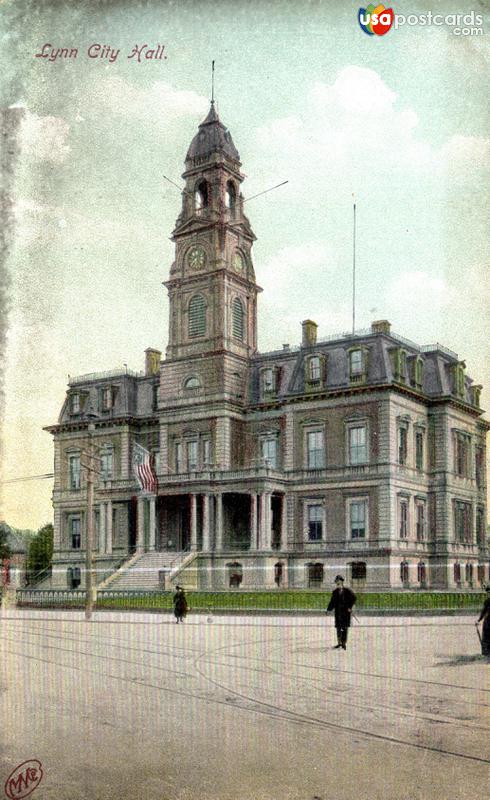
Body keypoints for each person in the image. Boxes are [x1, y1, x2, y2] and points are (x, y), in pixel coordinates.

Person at [326, 575, 356, 650]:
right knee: (338, 628)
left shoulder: (347, 590)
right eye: (336, 582)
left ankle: (344, 643)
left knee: (344, 628)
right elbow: (332, 602)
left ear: (342, 582)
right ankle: (339, 643)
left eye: (338, 582)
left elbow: (354, 598)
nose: (337, 583)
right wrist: (328, 609)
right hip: (338, 612)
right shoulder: (335, 592)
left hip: (346, 612)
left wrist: (350, 607)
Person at [476, 585, 490, 657]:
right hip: (488, 622)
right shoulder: (487, 601)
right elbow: (484, 612)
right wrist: (479, 620)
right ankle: (486, 652)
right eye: (488, 592)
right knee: (486, 637)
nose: (488, 594)